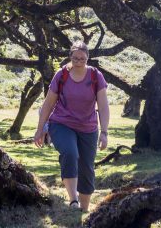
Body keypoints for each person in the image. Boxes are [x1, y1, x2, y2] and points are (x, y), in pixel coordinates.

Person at [34, 41, 109, 211]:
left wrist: (104, 132)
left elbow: (103, 106)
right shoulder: (61, 75)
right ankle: (73, 199)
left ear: (87, 59)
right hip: (62, 123)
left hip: (88, 127)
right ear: (70, 57)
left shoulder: (95, 76)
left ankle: (83, 209)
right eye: (75, 58)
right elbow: (48, 104)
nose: (78, 61)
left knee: (87, 167)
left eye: (82, 59)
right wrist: (40, 130)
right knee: (70, 152)